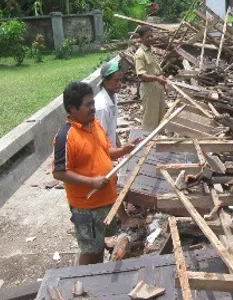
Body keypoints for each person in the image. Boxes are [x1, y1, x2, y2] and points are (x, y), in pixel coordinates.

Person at [52, 82, 141, 265]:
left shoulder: (94, 125)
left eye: (93, 103)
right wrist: (91, 182)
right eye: (87, 105)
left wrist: (124, 149)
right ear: (72, 108)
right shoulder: (65, 137)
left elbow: (107, 151)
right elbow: (59, 173)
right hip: (86, 207)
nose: (93, 108)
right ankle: (81, 283)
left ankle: (96, 278)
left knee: (99, 246)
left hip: (106, 200)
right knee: (89, 249)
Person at [135, 25, 167, 131]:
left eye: (152, 36)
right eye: (148, 36)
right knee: (150, 118)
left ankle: (158, 142)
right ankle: (147, 142)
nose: (151, 38)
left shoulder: (150, 51)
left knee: (161, 116)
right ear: (141, 38)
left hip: (158, 88)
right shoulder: (140, 54)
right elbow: (141, 75)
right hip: (148, 89)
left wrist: (161, 79)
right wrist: (157, 79)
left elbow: (156, 70)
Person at [94, 60, 123, 147]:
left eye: (120, 80)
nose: (120, 84)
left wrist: (120, 147)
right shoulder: (102, 107)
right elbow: (101, 140)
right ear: (105, 81)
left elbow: (111, 129)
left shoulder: (114, 98)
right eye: (116, 81)